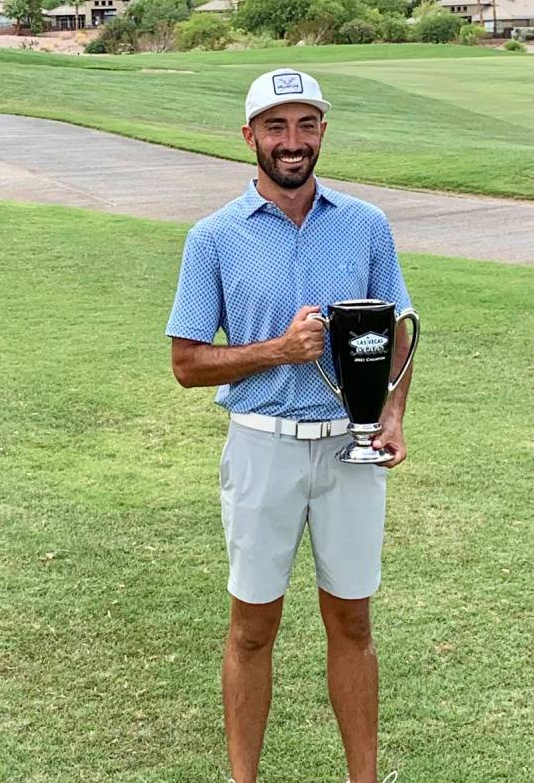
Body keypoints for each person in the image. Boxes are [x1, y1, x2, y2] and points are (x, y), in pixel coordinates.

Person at [165, 68, 414, 783]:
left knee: (354, 623)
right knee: (252, 629)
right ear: (250, 137)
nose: (292, 142)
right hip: (261, 447)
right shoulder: (213, 238)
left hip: (349, 446)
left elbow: (396, 330)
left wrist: (391, 414)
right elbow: (187, 364)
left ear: (323, 133)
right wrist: (278, 349)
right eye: (276, 127)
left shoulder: (365, 224)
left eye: (306, 125)